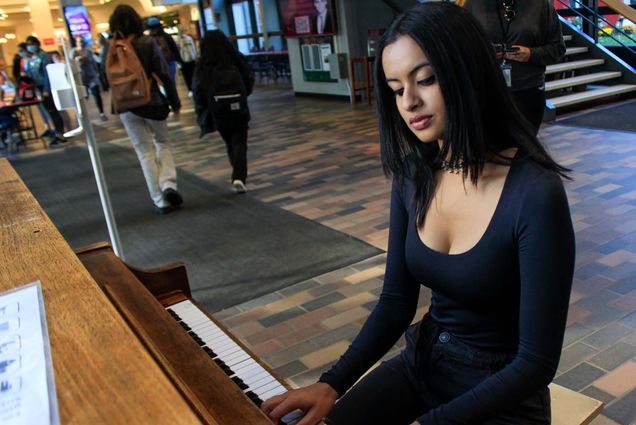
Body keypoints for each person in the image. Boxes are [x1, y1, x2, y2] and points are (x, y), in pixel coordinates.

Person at [261, 4, 575, 425]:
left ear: (467, 72)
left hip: (503, 395)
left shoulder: (535, 193)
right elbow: (396, 302)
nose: (409, 102)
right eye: (395, 88)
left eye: (425, 79)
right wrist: (332, 382)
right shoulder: (414, 176)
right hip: (426, 362)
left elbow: (535, 363)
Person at [108, 5, 184, 214]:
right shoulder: (146, 42)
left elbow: (105, 79)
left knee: (143, 151)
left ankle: (159, 200)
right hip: (151, 101)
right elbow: (164, 73)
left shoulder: (110, 48)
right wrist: (175, 101)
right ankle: (168, 184)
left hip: (126, 107)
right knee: (162, 143)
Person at [463, 0, 565, 136]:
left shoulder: (541, 5)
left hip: (529, 90)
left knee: (526, 148)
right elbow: (462, 47)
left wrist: (531, 54)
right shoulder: (473, 5)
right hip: (488, 90)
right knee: (493, 149)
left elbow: (558, 48)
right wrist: (484, 52)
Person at [192, 30, 254, 194]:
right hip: (238, 107)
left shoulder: (204, 66)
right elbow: (248, 79)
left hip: (218, 110)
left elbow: (198, 90)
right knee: (240, 141)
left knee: (229, 142)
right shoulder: (235, 59)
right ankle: (239, 176)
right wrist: (242, 96)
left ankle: (238, 173)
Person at [25, 36, 68, 146]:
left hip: (46, 87)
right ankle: (53, 130)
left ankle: (60, 134)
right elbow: (29, 74)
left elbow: (47, 74)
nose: (30, 46)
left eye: (32, 44)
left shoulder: (44, 56)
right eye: (28, 44)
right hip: (37, 87)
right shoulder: (30, 59)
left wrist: (46, 89)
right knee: (48, 111)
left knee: (53, 111)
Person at [71, 36, 108, 122]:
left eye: (81, 41)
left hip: (92, 75)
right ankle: (83, 116)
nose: (81, 43)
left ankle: (102, 113)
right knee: (83, 97)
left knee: (96, 94)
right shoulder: (74, 52)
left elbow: (95, 61)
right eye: (79, 41)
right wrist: (77, 61)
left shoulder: (89, 52)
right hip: (81, 78)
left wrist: (97, 72)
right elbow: (71, 65)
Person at [147, 17, 182, 86]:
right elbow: (174, 48)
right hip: (170, 61)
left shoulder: (149, 39)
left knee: (163, 84)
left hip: (158, 65)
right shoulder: (166, 36)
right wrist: (179, 60)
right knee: (171, 82)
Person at [177, 28, 198, 97]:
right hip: (188, 59)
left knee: (189, 75)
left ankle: (192, 89)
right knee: (190, 75)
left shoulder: (182, 39)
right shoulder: (183, 39)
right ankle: (192, 89)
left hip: (187, 60)